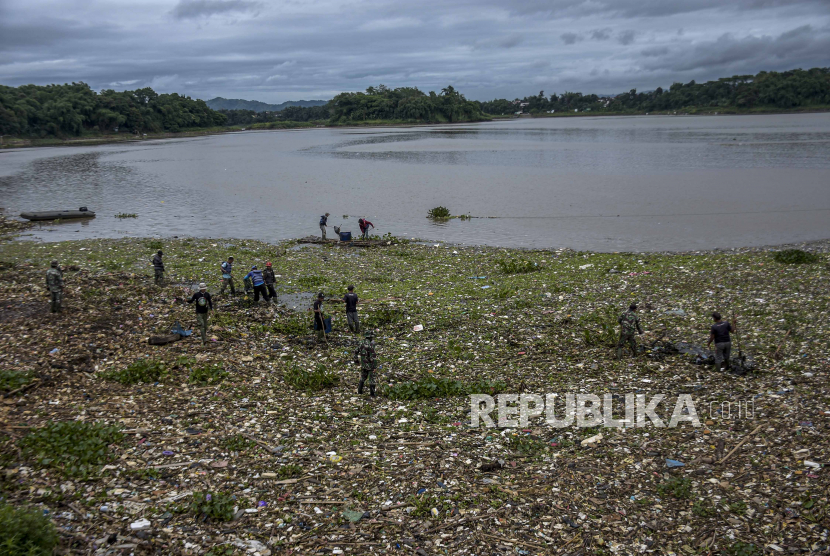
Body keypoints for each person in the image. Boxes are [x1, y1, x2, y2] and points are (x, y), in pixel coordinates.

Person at [355, 330, 378, 396]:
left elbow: (356, 351)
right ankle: (372, 394)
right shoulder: (371, 344)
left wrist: (356, 361)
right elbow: (373, 356)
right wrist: (374, 367)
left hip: (363, 364)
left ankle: (359, 391)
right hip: (370, 365)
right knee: (372, 379)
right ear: (370, 337)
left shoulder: (361, 343)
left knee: (363, 377)